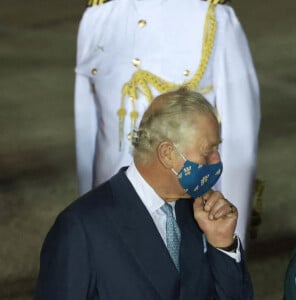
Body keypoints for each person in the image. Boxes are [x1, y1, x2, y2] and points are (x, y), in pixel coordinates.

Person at [35, 88, 253, 299]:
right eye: (208, 151)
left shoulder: (200, 214)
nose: (217, 161)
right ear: (168, 154)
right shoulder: (81, 228)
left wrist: (223, 245)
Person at [74, 0, 260, 247]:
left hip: (185, 217)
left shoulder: (212, 17)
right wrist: (88, 218)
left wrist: (230, 243)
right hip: (111, 208)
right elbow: (87, 131)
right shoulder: (97, 19)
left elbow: (239, 139)